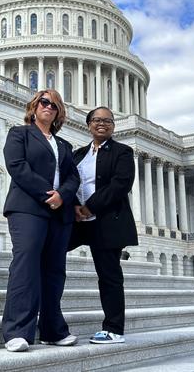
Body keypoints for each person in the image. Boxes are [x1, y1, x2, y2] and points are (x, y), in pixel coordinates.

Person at [2, 89, 80, 352]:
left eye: (54, 105)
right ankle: (17, 331)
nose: (48, 107)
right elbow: (17, 167)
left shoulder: (64, 145)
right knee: (26, 266)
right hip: (28, 208)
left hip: (60, 212)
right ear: (34, 107)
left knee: (55, 271)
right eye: (43, 102)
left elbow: (73, 178)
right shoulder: (19, 134)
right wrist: (49, 194)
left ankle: (52, 330)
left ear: (58, 113)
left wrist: (63, 196)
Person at [69, 106, 138, 344]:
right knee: (50, 254)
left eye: (108, 121)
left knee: (109, 276)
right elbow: (69, 182)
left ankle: (113, 329)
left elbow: (121, 185)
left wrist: (90, 206)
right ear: (88, 124)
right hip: (77, 221)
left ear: (113, 126)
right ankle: (49, 319)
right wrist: (75, 207)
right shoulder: (78, 154)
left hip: (107, 221)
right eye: (97, 120)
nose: (102, 124)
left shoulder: (123, 152)